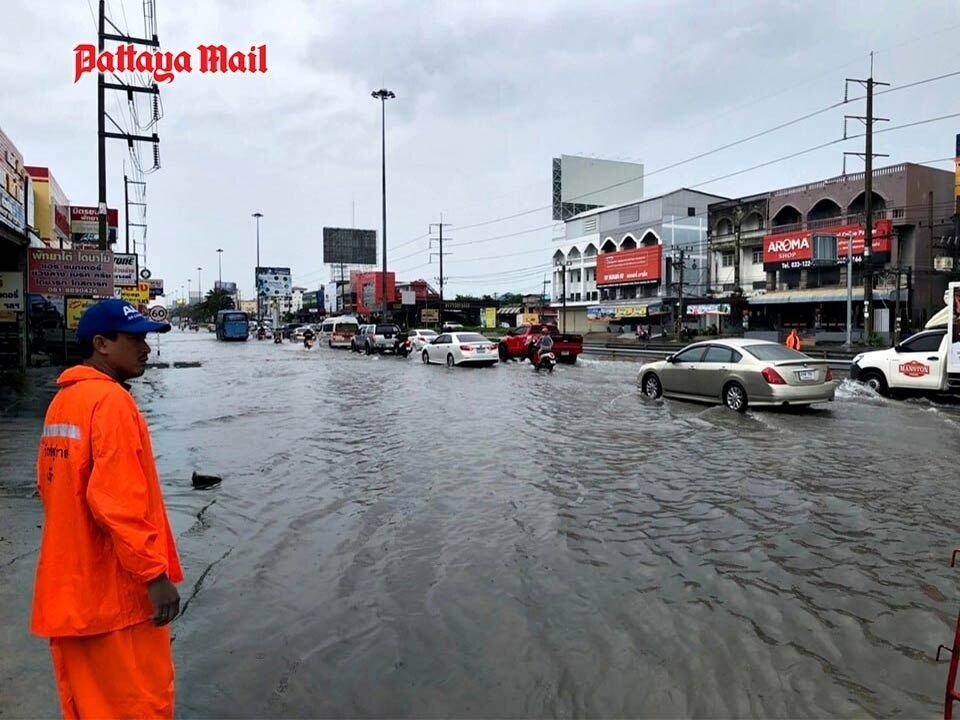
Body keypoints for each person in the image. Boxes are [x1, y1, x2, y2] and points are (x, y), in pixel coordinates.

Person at [32, 298, 183, 719]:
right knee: (141, 706)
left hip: (71, 595)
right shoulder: (111, 403)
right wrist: (154, 575)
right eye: (134, 339)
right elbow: (117, 503)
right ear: (101, 343)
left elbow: (47, 486)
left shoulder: (64, 401)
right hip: (116, 602)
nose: (146, 349)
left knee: (91, 707)